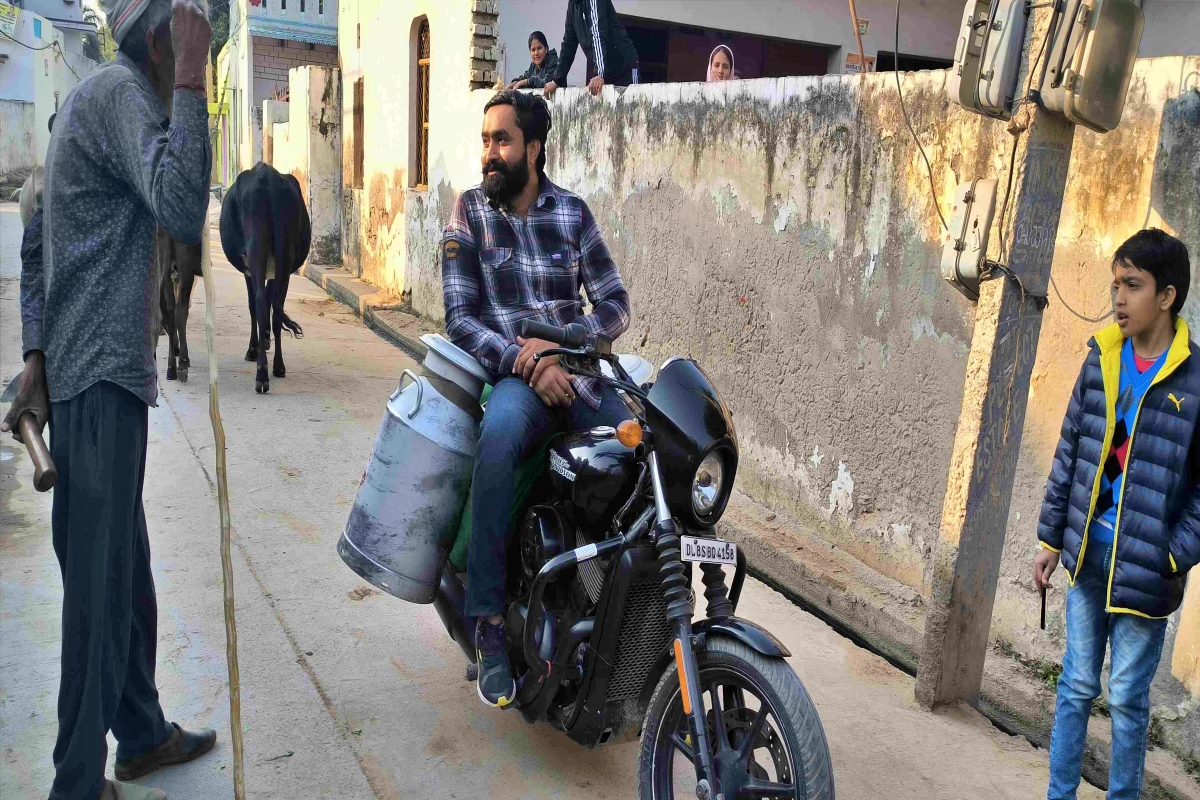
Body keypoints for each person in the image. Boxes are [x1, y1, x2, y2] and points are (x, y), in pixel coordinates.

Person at [2, 1, 217, 798]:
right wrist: (194, 82)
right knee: (100, 590)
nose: (197, 48)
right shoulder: (129, 95)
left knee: (126, 576)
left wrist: (34, 355)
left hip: (87, 375)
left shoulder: (91, 99)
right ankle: (74, 783)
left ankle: (141, 732)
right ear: (161, 40)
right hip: (98, 379)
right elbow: (183, 205)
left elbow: (33, 235)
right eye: (191, 36)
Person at [441, 90, 631, 708]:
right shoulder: (469, 212)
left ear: (535, 148)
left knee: (639, 445)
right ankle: (490, 625)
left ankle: (631, 604)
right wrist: (526, 360)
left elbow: (614, 303)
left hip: (578, 376)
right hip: (516, 381)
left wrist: (570, 345)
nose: (490, 154)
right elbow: (460, 318)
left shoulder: (572, 213)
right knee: (497, 442)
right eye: (486, 141)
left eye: (502, 141)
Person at [1034, 229, 1199, 800]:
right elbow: (1071, 448)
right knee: (1076, 686)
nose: (1119, 298)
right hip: (1086, 556)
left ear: (1168, 295)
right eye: (1116, 284)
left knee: (1128, 698)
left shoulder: (1196, 381)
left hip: (1146, 569)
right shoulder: (1101, 357)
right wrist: (1051, 539)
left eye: (1133, 285)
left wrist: (1172, 553)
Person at [542, 0, 639, 98]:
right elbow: (568, 44)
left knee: (635, 104)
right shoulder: (572, 5)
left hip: (625, 68)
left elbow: (597, 34)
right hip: (607, 74)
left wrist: (599, 73)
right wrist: (556, 81)